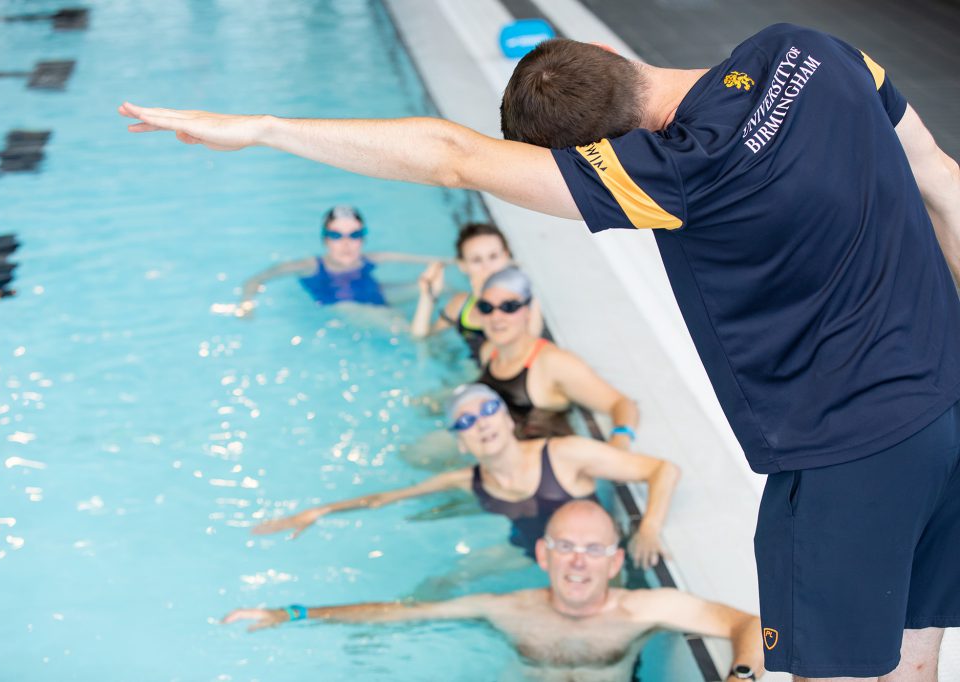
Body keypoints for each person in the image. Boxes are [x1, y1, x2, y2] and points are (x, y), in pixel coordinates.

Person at [120, 22, 960, 678]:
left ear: (583, 157)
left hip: (849, 455)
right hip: (947, 414)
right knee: (912, 656)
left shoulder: (675, 172)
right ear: (605, 51)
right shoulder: (810, 51)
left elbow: (453, 160)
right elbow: (942, 180)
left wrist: (264, 126)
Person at [227, 500, 763, 682]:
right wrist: (293, 612)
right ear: (542, 555)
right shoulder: (506, 609)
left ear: (616, 561)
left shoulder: (643, 610)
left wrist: (740, 677)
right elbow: (398, 614)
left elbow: (748, 627)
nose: (578, 561)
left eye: (594, 549)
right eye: (565, 547)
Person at [254, 383, 678, 569]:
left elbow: (663, 470)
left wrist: (649, 529)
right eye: (466, 421)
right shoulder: (466, 479)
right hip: (527, 551)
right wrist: (318, 511)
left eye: (489, 410)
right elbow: (384, 499)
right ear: (460, 442)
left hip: (585, 561)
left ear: (509, 420)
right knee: (439, 584)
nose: (481, 423)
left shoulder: (563, 455)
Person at [477, 266, 639, 448]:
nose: (496, 317)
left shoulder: (552, 363)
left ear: (529, 310)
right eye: (486, 307)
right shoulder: (489, 351)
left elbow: (621, 403)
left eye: (509, 307)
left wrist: (620, 440)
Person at [237, 205, 439, 314]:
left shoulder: (370, 259)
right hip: (344, 307)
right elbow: (258, 278)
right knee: (399, 323)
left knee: (442, 288)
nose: (346, 243)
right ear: (325, 239)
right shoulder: (310, 266)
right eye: (336, 236)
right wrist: (247, 303)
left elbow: (430, 260)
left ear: (363, 238)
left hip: (376, 295)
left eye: (354, 235)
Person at [411, 221, 542, 359]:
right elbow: (422, 342)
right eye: (476, 260)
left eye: (493, 257)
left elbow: (519, 357)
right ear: (463, 265)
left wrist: (485, 300)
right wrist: (427, 297)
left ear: (506, 257)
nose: (487, 267)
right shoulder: (461, 304)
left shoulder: (526, 305)